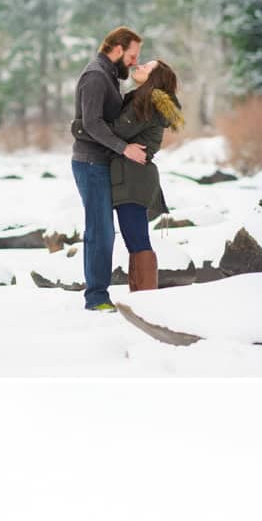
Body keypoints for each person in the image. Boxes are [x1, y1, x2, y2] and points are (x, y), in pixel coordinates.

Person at [71, 25, 145, 314]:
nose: (135, 61)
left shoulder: (110, 76)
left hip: (101, 163)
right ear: (117, 49)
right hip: (89, 163)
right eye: (132, 55)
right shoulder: (96, 76)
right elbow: (91, 122)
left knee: (105, 230)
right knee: (99, 231)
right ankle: (96, 297)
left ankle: (100, 294)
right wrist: (124, 148)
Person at [109, 57, 183, 294]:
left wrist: (83, 125)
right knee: (135, 240)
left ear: (154, 78)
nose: (138, 66)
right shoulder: (143, 99)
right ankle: (141, 297)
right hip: (132, 177)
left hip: (133, 179)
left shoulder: (147, 102)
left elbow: (118, 130)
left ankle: (146, 299)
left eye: (146, 67)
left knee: (137, 240)